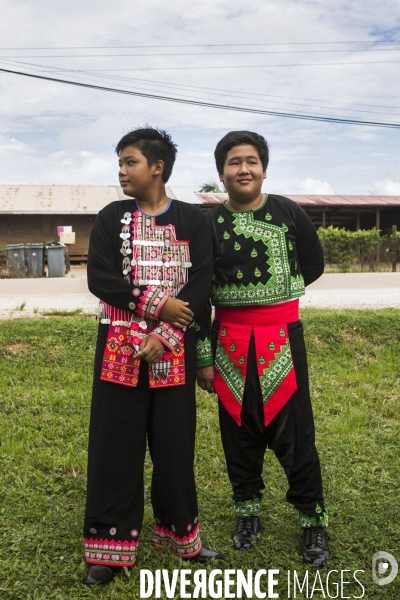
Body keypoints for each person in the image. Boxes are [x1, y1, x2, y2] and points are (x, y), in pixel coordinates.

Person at [83, 126, 222, 586]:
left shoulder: (193, 220)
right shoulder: (111, 217)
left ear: (157, 167)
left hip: (174, 351)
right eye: (121, 163)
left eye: (130, 162)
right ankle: (109, 549)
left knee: (175, 445)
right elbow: (101, 279)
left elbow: (201, 284)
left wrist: (165, 332)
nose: (122, 171)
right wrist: (156, 303)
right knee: (114, 444)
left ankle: (180, 536)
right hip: (119, 350)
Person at [196, 131, 329, 567]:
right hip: (228, 342)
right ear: (222, 173)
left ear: (264, 168)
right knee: (238, 429)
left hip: (282, 336)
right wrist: (203, 356)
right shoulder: (209, 225)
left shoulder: (288, 211)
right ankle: (247, 515)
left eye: (251, 161)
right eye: (234, 163)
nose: (243, 169)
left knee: (295, 433)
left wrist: (278, 296)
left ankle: (312, 520)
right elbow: (198, 293)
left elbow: (313, 263)